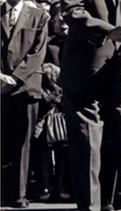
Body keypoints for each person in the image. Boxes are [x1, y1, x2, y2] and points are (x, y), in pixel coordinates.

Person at [59, 0, 121, 210]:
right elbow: (72, 11)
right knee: (88, 145)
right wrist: (109, 31)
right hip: (85, 72)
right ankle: (92, 206)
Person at [1, 0, 49, 207]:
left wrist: (16, 78)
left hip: (26, 86)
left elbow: (38, 52)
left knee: (22, 143)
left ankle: (17, 194)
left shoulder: (39, 15)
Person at [33, 1, 71, 201]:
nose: (63, 23)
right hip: (49, 102)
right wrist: (50, 96)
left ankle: (63, 185)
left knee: (65, 146)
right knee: (45, 146)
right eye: (59, 19)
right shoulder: (48, 45)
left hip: (70, 102)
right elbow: (39, 71)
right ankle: (45, 186)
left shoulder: (77, 43)